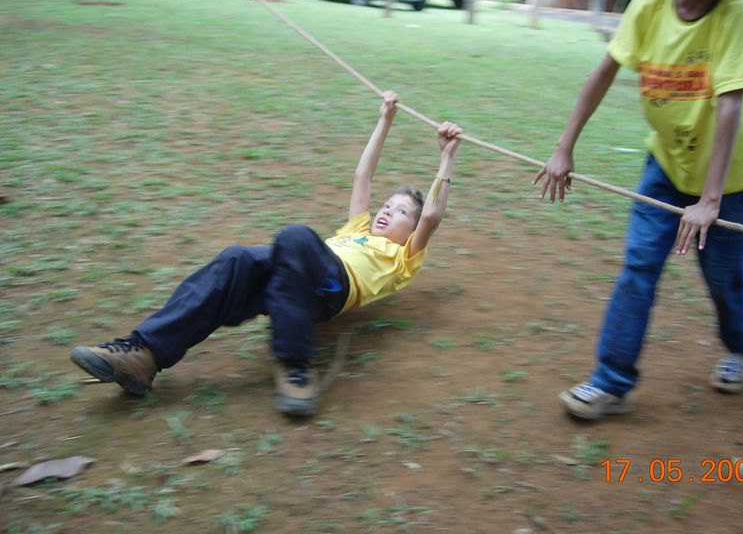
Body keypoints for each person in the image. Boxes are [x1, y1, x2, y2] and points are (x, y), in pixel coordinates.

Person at [71, 91, 461, 416]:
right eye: (387, 205)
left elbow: (432, 215)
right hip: (292, 282)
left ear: (412, 232)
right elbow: (364, 176)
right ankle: (144, 355)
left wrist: (446, 158)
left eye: (401, 212)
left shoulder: (402, 258)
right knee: (237, 259)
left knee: (296, 237)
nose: (387, 211)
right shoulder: (357, 229)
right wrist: (385, 120)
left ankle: (295, 366)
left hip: (332, 289)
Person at [533, 0, 743, 420]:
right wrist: (563, 148)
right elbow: (603, 73)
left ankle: (741, 348)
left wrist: (710, 200)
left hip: (729, 182)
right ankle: (611, 382)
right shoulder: (650, 4)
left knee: (723, 277)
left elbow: (730, 106)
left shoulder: (735, 13)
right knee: (638, 268)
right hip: (665, 168)